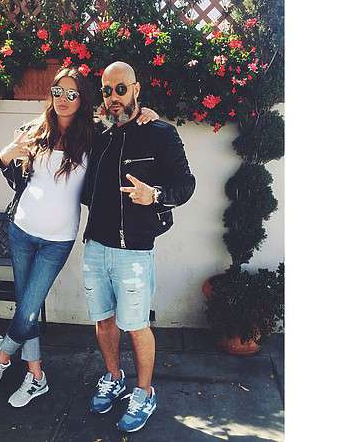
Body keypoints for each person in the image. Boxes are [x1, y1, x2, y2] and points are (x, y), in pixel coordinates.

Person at [0, 66, 159, 408]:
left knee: (28, 310)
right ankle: (36, 376)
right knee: (27, 306)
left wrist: (148, 113)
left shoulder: (94, 136)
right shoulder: (35, 129)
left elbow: (125, 122)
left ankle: (3, 353)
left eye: (71, 94)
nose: (63, 99)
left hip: (58, 240)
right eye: (57, 92)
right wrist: (5, 155)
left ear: (82, 99)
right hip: (21, 231)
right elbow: (12, 171)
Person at [81, 61, 196, 433]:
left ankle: (144, 392)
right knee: (103, 320)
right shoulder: (100, 136)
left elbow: (186, 184)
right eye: (107, 90)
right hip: (95, 245)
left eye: (120, 88)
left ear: (136, 89)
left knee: (136, 325)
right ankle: (114, 377)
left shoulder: (160, 132)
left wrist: (155, 195)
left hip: (133, 250)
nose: (113, 97)